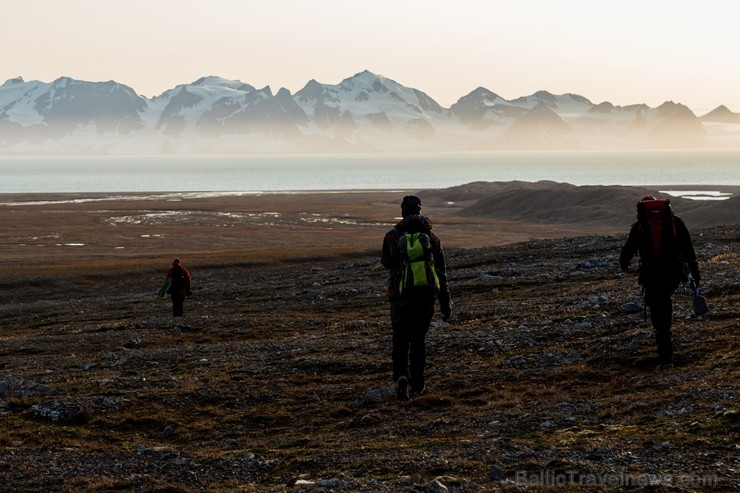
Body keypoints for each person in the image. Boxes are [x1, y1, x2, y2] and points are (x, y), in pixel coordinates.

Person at [381, 195, 452, 400]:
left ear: (402, 211)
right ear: (419, 211)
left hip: (400, 295)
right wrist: (445, 302)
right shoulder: (431, 237)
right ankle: (418, 385)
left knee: (400, 340)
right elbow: (441, 271)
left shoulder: (392, 236)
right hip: (425, 296)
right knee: (418, 340)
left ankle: (401, 377)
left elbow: (386, 261)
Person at [619, 196, 700, 370]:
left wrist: (624, 263)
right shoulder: (674, 222)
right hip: (673, 274)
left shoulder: (641, 226)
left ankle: (665, 356)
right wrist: (695, 277)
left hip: (651, 275)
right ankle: (666, 348)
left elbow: (628, 250)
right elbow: (689, 250)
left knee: (659, 312)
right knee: (664, 303)